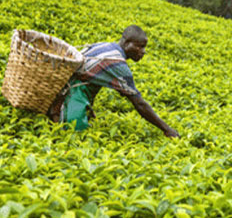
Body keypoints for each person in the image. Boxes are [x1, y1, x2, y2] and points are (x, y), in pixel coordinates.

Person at [48, 25, 179, 138]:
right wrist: (167, 129)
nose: (143, 52)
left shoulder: (106, 46)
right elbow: (139, 104)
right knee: (73, 135)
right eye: (140, 47)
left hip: (62, 91)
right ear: (127, 43)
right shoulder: (118, 64)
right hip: (70, 96)